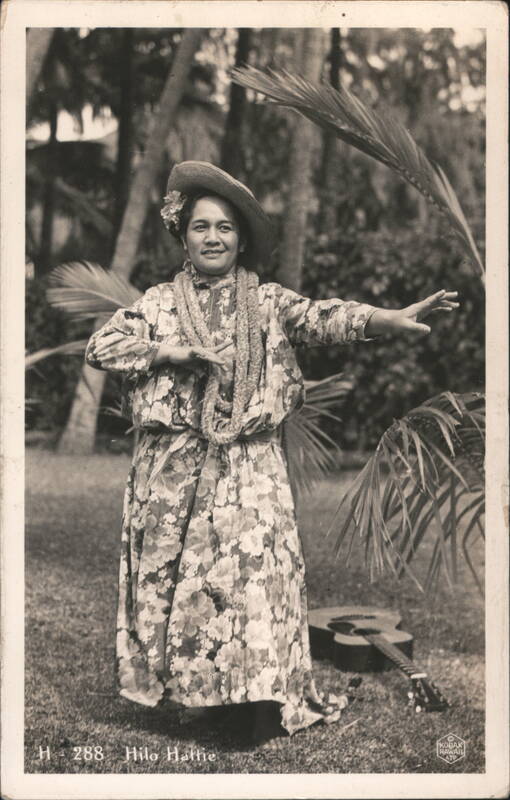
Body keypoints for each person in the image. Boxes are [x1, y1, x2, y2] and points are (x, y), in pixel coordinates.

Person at [85, 161, 459, 746]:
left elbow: (324, 317)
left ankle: (254, 709)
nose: (214, 238)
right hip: (173, 472)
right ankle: (202, 698)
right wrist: (170, 352)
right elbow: (101, 344)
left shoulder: (266, 301)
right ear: (183, 235)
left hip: (249, 468)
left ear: (241, 239)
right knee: (188, 588)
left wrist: (389, 317)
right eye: (202, 227)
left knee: (251, 582)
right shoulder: (157, 303)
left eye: (226, 228)